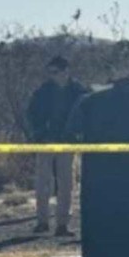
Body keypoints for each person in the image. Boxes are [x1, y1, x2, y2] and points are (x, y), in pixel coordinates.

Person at [25, 56, 90, 236]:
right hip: (46, 141)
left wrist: (77, 135)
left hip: (67, 142)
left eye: (55, 72)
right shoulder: (43, 91)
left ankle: (62, 224)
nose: (52, 76)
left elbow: (86, 114)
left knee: (66, 183)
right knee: (43, 182)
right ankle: (42, 221)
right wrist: (39, 132)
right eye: (50, 72)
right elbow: (31, 113)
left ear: (65, 71)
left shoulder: (78, 91)